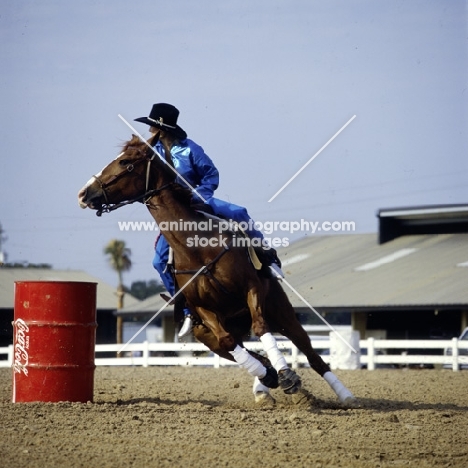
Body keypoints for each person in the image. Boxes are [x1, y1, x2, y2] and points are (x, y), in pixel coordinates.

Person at [134, 103, 283, 338]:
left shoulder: (191, 149)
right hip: (174, 214)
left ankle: (267, 256)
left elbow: (211, 174)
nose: (150, 131)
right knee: (158, 261)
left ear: (162, 129)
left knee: (239, 212)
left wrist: (199, 196)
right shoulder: (151, 154)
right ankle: (184, 308)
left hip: (198, 201)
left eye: (152, 127)